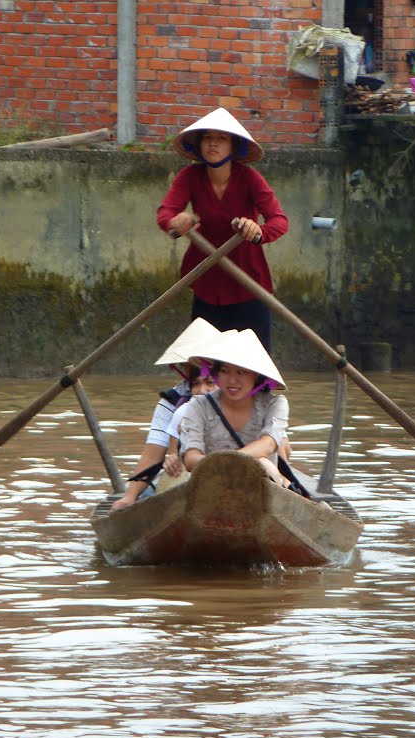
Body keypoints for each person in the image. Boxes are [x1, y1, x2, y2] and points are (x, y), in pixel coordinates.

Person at [157, 107, 289, 352]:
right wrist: (176, 224)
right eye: (208, 138)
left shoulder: (249, 178)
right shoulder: (189, 177)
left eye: (221, 139)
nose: (213, 144)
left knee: (253, 365)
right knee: (203, 365)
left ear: (233, 147)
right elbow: (165, 213)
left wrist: (256, 231)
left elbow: (279, 221)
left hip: (249, 282)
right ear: (199, 144)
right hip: (207, 281)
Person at [110, 318, 221, 511]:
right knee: (147, 497)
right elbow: (153, 454)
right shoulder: (174, 403)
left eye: (210, 382)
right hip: (187, 474)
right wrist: (129, 496)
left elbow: (276, 446)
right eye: (192, 364)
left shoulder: (242, 397)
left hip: (229, 473)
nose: (203, 389)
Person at [175, 328, 292, 487]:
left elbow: (268, 444)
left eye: (241, 372)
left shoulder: (275, 404)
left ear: (256, 375)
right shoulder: (198, 405)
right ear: (216, 373)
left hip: (261, 487)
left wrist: (230, 463)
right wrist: (224, 468)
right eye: (224, 371)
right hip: (211, 486)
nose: (232, 380)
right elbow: (190, 458)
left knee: (264, 464)